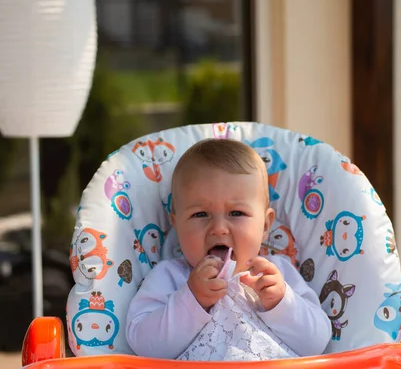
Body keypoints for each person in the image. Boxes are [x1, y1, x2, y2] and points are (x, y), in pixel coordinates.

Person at [125, 138, 330, 361]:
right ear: (176, 223)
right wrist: (192, 300)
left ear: (264, 225)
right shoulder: (170, 277)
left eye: (236, 213)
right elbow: (143, 345)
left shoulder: (276, 274)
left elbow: (317, 343)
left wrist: (282, 303)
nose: (219, 229)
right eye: (200, 214)